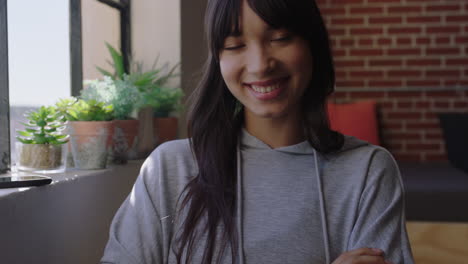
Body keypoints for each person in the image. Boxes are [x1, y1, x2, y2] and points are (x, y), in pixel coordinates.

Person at [101, 0, 415, 263]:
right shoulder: (169, 168)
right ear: (219, 61)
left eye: (280, 38)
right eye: (235, 45)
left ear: (312, 45)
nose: (260, 64)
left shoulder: (367, 170)